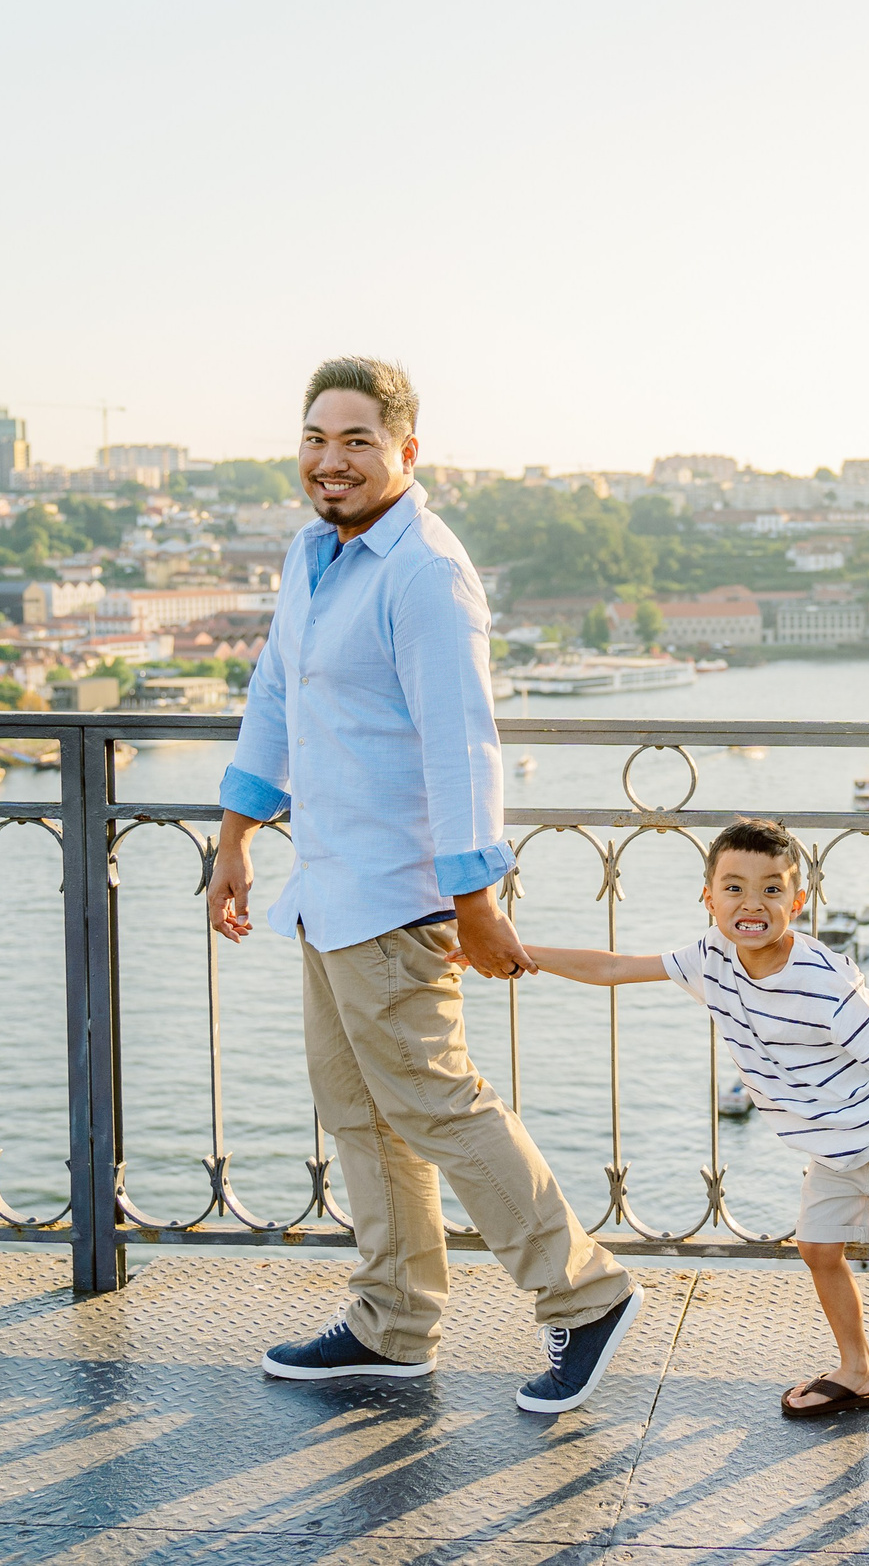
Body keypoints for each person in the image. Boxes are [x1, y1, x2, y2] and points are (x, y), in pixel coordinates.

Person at [207, 356, 643, 1415]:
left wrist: (475, 900)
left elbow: (462, 746)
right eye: (316, 438)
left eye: (357, 440)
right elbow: (274, 696)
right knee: (359, 1112)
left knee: (439, 1104)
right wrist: (235, 837)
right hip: (328, 886)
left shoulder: (426, 573)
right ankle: (392, 1322)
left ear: (406, 450)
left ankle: (584, 1294)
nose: (331, 460)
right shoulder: (311, 554)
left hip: (399, 894)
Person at [516, 818, 869, 1434]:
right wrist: (522, 953)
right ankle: (858, 1370)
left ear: (798, 901)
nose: (752, 904)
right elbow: (615, 967)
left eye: (771, 890)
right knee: (818, 1248)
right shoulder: (709, 957)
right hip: (832, 1143)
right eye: (734, 888)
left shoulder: (820, 979)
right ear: (708, 897)